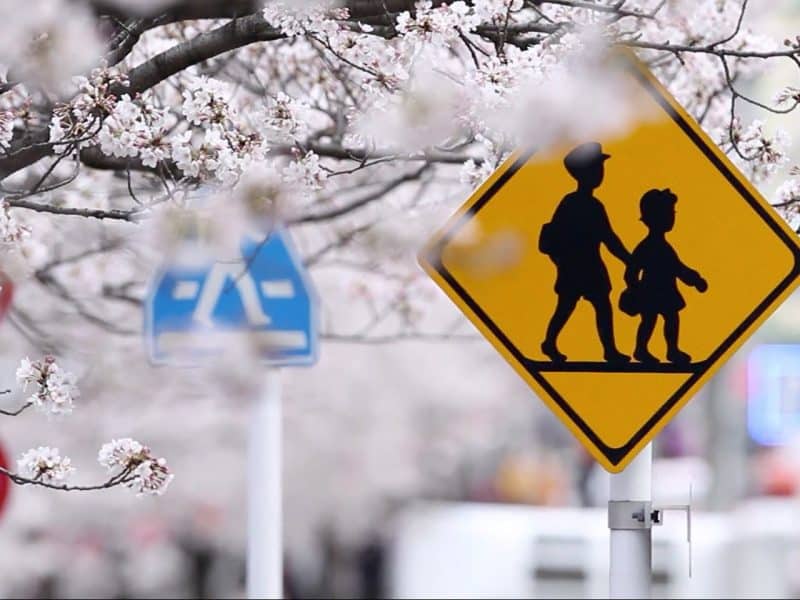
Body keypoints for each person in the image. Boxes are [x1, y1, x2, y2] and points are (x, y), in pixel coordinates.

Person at [540, 142, 631, 363]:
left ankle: (609, 350)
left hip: (590, 265)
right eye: (596, 169)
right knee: (566, 307)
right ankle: (550, 342)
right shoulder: (574, 203)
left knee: (601, 306)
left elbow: (609, 238)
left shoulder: (593, 204)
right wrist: (628, 259)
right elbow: (608, 238)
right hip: (575, 266)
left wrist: (628, 259)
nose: (600, 174)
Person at [623, 188, 707, 365]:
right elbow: (631, 270)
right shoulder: (647, 246)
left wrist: (694, 279)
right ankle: (641, 349)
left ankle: (671, 350)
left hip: (666, 291)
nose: (672, 217)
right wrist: (635, 289)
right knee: (650, 320)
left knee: (671, 318)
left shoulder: (663, 246)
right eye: (668, 213)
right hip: (652, 291)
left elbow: (678, 268)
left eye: (672, 213)